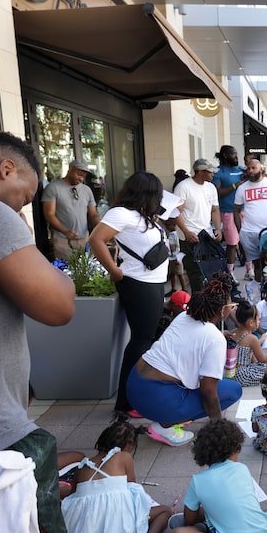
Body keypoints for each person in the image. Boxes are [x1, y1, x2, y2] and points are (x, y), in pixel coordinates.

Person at [0, 131, 76, 533]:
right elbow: (60, 306)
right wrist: (22, 238)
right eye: (23, 199)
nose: (20, 209)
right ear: (5, 169)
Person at [127, 272, 243, 447]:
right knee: (232, 391)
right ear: (221, 311)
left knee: (221, 386)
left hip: (134, 386)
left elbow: (191, 339)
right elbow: (209, 392)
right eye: (231, 306)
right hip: (155, 399)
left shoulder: (183, 316)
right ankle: (165, 425)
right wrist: (219, 429)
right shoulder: (215, 339)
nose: (231, 309)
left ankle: (174, 415)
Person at [89, 172, 169, 419]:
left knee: (146, 339)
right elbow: (96, 239)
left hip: (154, 282)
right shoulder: (121, 213)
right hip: (137, 283)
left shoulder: (145, 216)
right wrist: (113, 270)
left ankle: (135, 393)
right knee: (141, 341)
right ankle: (125, 402)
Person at [54, 418, 169, 533]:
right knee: (164, 510)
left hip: (87, 529)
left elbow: (72, 499)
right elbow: (133, 491)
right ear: (130, 446)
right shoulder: (124, 457)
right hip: (119, 522)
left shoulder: (82, 466)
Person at [168, 420, 267, 533]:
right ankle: (205, 529)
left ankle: (202, 530)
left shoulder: (198, 481)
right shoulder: (242, 469)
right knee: (217, 509)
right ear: (234, 449)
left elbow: (189, 519)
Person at [233, 156, 267, 281]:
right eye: (249, 168)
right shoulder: (242, 188)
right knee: (257, 265)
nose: (250, 170)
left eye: (254, 168)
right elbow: (236, 210)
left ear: (261, 169)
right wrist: (240, 230)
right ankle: (259, 293)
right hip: (249, 233)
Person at [174, 159, 222, 293]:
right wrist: (186, 232)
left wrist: (217, 228)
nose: (213, 175)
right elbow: (176, 212)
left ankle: (207, 300)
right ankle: (198, 303)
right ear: (201, 171)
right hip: (190, 236)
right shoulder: (183, 187)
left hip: (206, 235)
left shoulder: (211, 187)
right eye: (211, 172)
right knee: (195, 272)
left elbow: (215, 210)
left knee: (208, 270)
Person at [42, 158, 100, 260]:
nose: (81, 178)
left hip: (84, 238)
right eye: (79, 174)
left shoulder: (87, 190)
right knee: (65, 272)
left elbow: (93, 214)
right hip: (62, 239)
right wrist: (65, 231)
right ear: (70, 169)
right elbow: (49, 214)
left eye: (84, 176)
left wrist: (100, 228)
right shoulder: (53, 188)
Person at [224, 300, 267, 387]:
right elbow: (263, 360)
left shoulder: (233, 332)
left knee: (255, 356)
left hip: (231, 373)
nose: (259, 322)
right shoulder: (252, 338)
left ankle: (265, 374)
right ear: (251, 322)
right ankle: (264, 376)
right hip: (243, 375)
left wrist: (261, 340)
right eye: (258, 319)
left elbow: (245, 346)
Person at [212, 145, 245, 275]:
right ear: (225, 155)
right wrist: (234, 186)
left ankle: (250, 269)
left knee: (245, 241)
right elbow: (217, 193)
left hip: (243, 209)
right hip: (228, 211)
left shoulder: (241, 170)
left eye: (236, 154)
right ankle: (229, 273)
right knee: (232, 243)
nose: (236, 157)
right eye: (233, 154)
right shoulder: (219, 172)